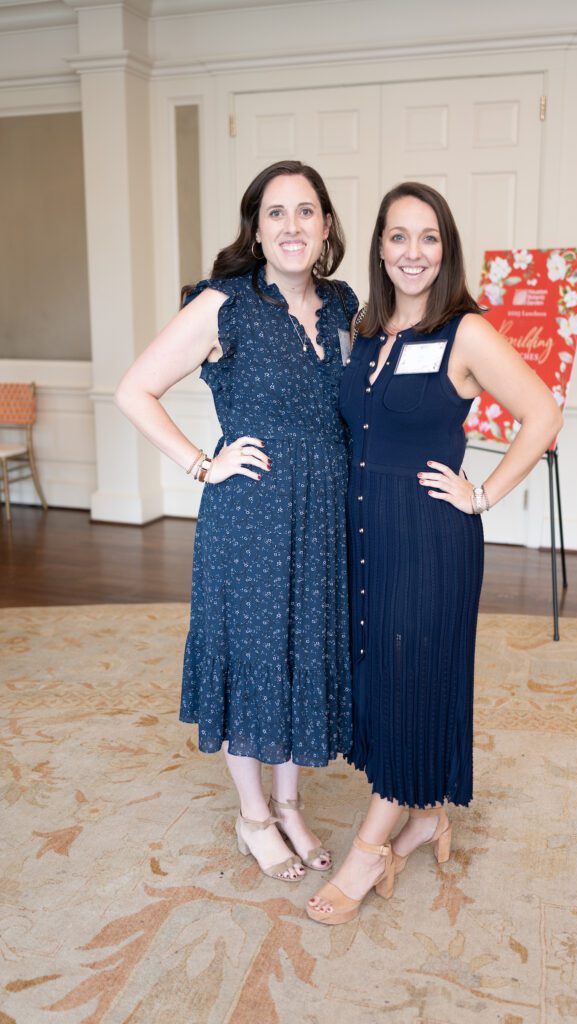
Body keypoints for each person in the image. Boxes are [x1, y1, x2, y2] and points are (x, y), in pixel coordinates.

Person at [307, 182, 563, 924]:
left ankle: (367, 848)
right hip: (365, 535)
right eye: (397, 236)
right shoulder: (366, 332)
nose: (411, 252)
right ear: (379, 246)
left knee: (410, 675)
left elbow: (541, 412)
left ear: (443, 249)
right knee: (380, 678)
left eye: (426, 237)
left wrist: (481, 494)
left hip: (427, 537)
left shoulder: (465, 332)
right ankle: (425, 818)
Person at [116, 160, 357, 883]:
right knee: (253, 656)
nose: (292, 226)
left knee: (298, 653)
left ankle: (288, 804)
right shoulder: (224, 304)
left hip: (322, 515)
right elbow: (135, 389)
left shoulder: (344, 304)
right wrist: (199, 463)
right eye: (276, 213)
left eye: (306, 211)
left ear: (325, 225)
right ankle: (252, 816)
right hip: (250, 516)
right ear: (255, 228)